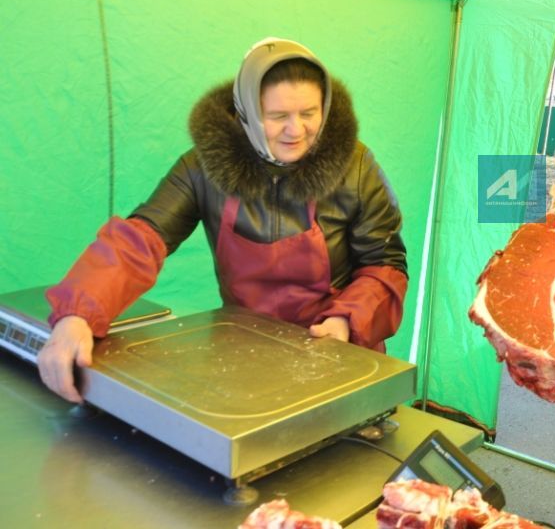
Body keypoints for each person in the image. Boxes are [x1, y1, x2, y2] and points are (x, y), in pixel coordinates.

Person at [38, 37, 408, 403]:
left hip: (339, 352)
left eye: (309, 114)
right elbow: (141, 239)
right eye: (277, 116)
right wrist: (77, 314)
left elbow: (385, 264)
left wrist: (346, 322)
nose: (296, 131)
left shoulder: (356, 166)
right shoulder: (202, 166)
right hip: (246, 356)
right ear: (245, 110)